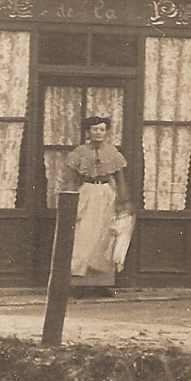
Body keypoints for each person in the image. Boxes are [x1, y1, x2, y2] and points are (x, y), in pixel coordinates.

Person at [63, 114, 132, 297]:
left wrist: (123, 202)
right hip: (86, 193)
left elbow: (120, 179)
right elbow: (71, 179)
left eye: (102, 129)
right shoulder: (79, 153)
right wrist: (70, 200)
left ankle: (102, 284)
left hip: (106, 195)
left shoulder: (113, 153)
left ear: (106, 132)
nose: (98, 133)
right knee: (83, 237)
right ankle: (79, 284)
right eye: (95, 129)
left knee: (105, 239)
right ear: (88, 131)